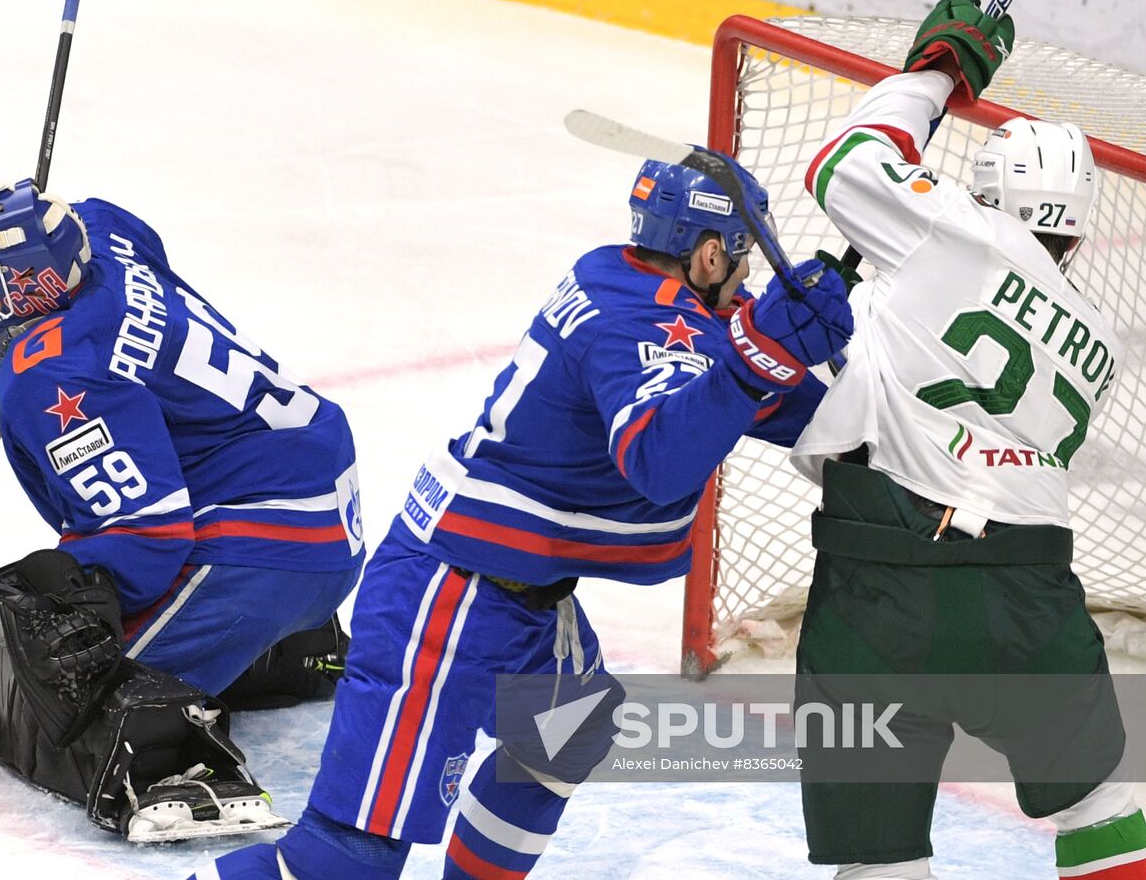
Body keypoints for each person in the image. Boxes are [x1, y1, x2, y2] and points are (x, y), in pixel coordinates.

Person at [214, 152, 854, 877]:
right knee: (342, 862)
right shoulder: (637, 326)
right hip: (450, 597)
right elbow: (661, 459)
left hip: (512, 591)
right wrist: (757, 360)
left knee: (569, 729)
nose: (749, 282)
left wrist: (809, 374)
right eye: (742, 262)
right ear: (709, 254)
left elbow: (761, 394)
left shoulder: (619, 272)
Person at [788, 0, 1146, 879]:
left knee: (879, 856)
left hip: (879, 591)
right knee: (1106, 806)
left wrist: (936, 73)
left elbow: (845, 164)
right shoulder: (1096, 343)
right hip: (1029, 597)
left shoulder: (957, 234)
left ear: (984, 195)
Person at [0, 179, 365, 841]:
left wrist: (74, 599)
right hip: (313, 488)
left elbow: (146, 539)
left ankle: (185, 767)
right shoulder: (103, 234)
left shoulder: (54, 374)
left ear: (32, 286)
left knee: (67, 695)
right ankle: (295, 645)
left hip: (273, 542)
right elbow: (91, 220)